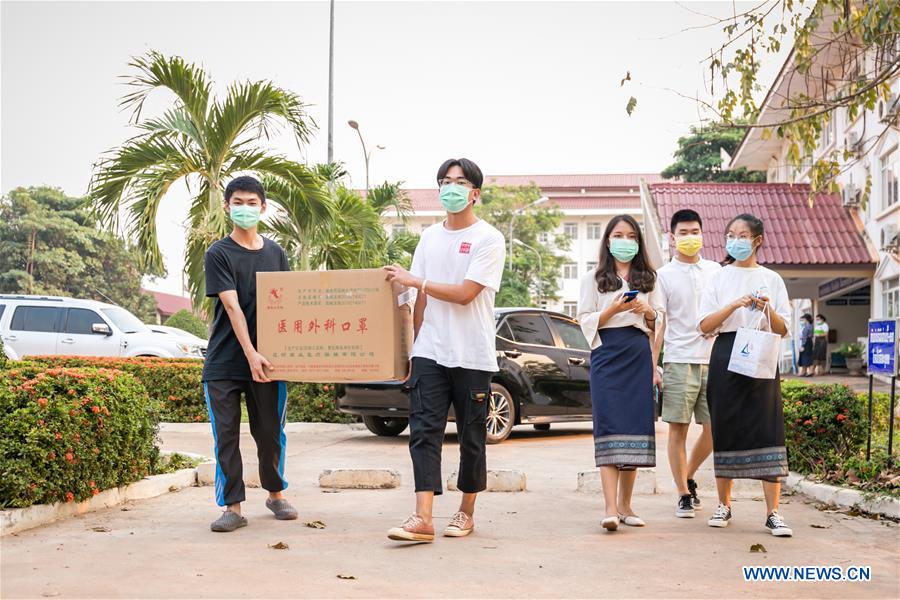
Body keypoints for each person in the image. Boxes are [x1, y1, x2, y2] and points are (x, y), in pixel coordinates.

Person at [383, 158, 505, 543]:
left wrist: (417, 280)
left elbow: (467, 294)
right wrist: (413, 348)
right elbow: (420, 299)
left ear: (475, 193)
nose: (451, 188)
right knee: (423, 431)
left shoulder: (489, 238)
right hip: (430, 352)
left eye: (459, 182)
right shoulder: (429, 238)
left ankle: (465, 513)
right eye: (445, 182)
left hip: (472, 353)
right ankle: (422, 518)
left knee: (471, 436)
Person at [201, 175, 297, 533]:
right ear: (227, 207)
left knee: (271, 432)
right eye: (237, 202)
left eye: (251, 203)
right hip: (226, 362)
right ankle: (233, 507)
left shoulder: (276, 253)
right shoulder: (219, 253)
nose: (244, 209)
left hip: (270, 363)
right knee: (226, 434)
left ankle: (275, 495)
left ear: (264, 207)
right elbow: (233, 307)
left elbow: (288, 305)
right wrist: (250, 354)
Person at [698, 213, 793, 537]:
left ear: (757, 240)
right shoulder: (719, 277)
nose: (735, 239)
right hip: (726, 353)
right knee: (725, 426)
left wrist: (768, 309)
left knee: (767, 427)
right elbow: (705, 325)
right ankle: (724, 505)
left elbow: (783, 329)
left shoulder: (772, 279)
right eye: (730, 234)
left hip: (763, 355)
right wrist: (734, 305)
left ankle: (773, 513)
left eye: (742, 234)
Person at [577, 214, 661, 532]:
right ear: (608, 240)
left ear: (637, 242)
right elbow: (584, 319)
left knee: (635, 428)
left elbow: (659, 321)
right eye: (618, 235)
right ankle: (610, 508)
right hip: (606, 354)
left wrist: (647, 310)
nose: (623, 241)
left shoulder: (650, 279)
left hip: (637, 353)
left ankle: (626, 505)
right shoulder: (593, 279)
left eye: (630, 235)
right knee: (610, 427)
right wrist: (611, 310)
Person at [652, 209, 721, 519]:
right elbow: (660, 324)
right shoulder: (663, 275)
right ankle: (682, 493)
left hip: (713, 361)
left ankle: (688, 474)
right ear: (672, 237)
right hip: (679, 359)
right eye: (684, 232)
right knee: (677, 429)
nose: (690, 237)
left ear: (703, 234)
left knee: (714, 429)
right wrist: (653, 365)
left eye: (695, 231)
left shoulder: (717, 270)